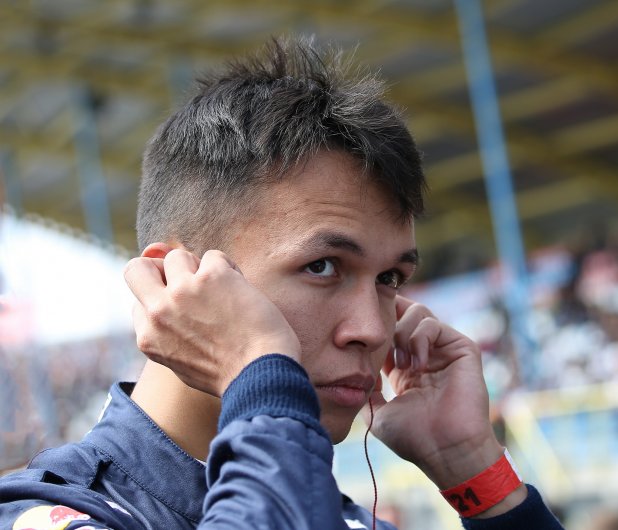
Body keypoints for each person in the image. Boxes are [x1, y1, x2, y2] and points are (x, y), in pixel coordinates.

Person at [0, 37, 563, 529]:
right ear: (175, 280)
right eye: (322, 266)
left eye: (390, 278)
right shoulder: (48, 513)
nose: (373, 330)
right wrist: (260, 372)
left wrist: (476, 473)